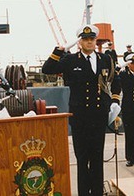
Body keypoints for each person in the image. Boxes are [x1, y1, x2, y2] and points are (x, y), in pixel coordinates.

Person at [42, 24, 121, 196]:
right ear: (80, 42)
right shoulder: (70, 60)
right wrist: (58, 51)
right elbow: (47, 70)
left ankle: (97, 193)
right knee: (82, 159)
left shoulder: (105, 59)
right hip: (80, 118)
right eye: (85, 39)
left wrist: (115, 102)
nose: (89, 42)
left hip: (99, 116)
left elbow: (116, 81)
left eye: (92, 39)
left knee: (97, 158)